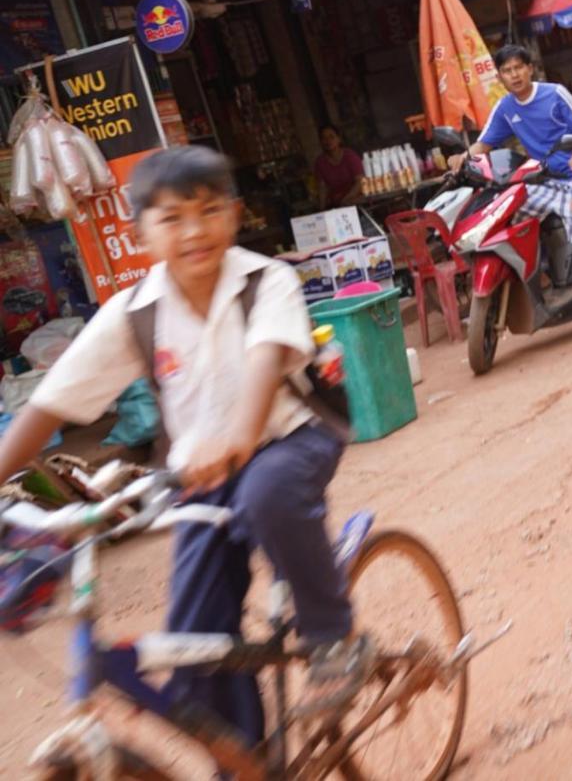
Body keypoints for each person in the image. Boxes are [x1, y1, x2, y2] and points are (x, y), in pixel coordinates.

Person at [0, 146, 369, 744]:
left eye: (207, 211)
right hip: (198, 475)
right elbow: (50, 404)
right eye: (171, 218)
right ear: (140, 230)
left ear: (234, 213)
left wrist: (235, 443)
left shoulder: (263, 280)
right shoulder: (133, 314)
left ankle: (333, 637)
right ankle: (246, 758)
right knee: (195, 643)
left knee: (266, 494)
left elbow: (262, 369)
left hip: (289, 437)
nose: (193, 231)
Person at [449, 44, 572, 335]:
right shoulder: (505, 107)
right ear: (500, 76)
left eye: (518, 68)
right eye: (507, 71)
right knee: (506, 212)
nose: (514, 75)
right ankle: (545, 279)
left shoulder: (554, 94)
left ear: (529, 68)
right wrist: (464, 157)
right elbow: (484, 143)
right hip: (543, 181)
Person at [314, 124, 364, 209]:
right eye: (324, 138)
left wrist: (346, 200)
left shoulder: (350, 156)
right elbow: (322, 188)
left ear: (338, 139)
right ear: (320, 142)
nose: (328, 141)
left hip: (357, 202)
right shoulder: (320, 162)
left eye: (331, 137)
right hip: (337, 205)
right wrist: (322, 210)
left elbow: (360, 182)